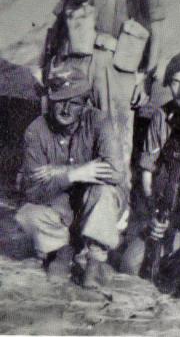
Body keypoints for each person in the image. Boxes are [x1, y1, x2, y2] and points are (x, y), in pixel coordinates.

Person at [44, 0, 165, 192]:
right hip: (80, 63)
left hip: (120, 69)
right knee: (76, 131)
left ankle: (114, 214)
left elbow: (156, 32)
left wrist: (144, 77)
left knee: (117, 137)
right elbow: (59, 30)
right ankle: (75, 204)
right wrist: (50, 67)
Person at [15, 68, 127, 289]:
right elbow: (31, 190)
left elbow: (115, 172)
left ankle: (94, 261)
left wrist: (58, 171)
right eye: (59, 101)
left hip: (93, 207)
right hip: (60, 209)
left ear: (85, 105)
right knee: (26, 215)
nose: (65, 109)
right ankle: (62, 250)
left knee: (103, 192)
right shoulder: (36, 131)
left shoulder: (99, 121)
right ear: (50, 101)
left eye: (74, 102)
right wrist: (74, 174)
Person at [119, 50, 180, 289]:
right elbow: (146, 173)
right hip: (170, 210)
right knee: (130, 266)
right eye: (176, 82)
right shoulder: (162, 116)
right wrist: (155, 213)